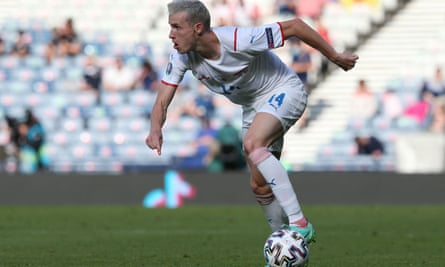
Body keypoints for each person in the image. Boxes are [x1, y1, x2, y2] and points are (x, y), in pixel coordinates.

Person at [145, 0, 358, 245]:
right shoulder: (182, 57)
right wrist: (155, 128)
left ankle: (300, 223)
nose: (171, 34)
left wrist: (335, 56)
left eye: (176, 27)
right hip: (253, 107)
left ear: (198, 28)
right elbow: (162, 99)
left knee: (253, 143)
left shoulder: (238, 40)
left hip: (284, 90)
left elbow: (296, 26)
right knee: (260, 187)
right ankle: (285, 244)